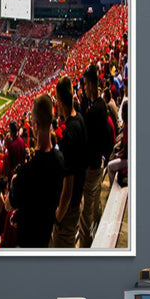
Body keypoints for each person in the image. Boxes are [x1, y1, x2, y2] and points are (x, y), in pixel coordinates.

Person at [7, 94, 65, 248]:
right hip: (47, 235)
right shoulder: (60, 159)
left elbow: (9, 204)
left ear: (36, 125)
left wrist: (13, 183)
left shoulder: (27, 172)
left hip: (29, 242)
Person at [51, 76, 88, 248]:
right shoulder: (80, 119)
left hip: (69, 209)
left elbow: (68, 184)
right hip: (78, 198)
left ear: (59, 100)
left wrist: (58, 217)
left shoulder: (67, 135)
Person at [79, 64, 113, 247]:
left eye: (85, 84)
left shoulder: (96, 110)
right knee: (96, 204)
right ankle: (99, 228)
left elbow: (92, 140)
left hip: (91, 167)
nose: (84, 88)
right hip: (97, 165)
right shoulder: (98, 106)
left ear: (91, 84)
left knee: (85, 218)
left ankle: (87, 250)